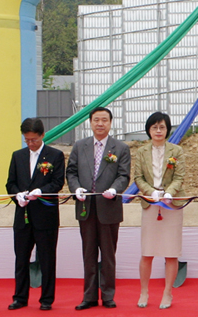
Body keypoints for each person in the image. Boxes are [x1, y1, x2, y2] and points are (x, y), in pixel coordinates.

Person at [66, 107, 131, 310]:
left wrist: (115, 189)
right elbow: (71, 172)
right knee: (88, 254)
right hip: (86, 208)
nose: (100, 123)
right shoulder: (80, 146)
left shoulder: (120, 148)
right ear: (90, 122)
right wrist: (76, 188)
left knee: (108, 255)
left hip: (109, 207)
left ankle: (108, 295)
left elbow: (124, 175)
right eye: (96, 120)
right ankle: (89, 296)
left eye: (104, 120)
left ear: (110, 123)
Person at [6, 118, 65, 311]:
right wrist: (17, 196)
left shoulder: (55, 155)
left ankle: (46, 299)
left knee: (47, 259)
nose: (30, 143)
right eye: (27, 140)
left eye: (34, 140)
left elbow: (57, 182)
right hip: (23, 215)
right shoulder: (18, 156)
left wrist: (41, 191)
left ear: (42, 135)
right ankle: (20, 297)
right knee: (21, 259)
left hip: (45, 216)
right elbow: (10, 183)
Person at [131, 112, 185, 309]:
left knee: (171, 252)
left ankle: (167, 292)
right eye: (154, 127)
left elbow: (179, 176)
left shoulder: (176, 150)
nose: (158, 131)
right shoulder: (141, 152)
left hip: (171, 205)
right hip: (150, 203)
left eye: (162, 127)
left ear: (167, 129)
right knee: (147, 252)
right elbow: (138, 177)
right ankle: (144, 292)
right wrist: (151, 192)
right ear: (149, 130)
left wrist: (169, 192)